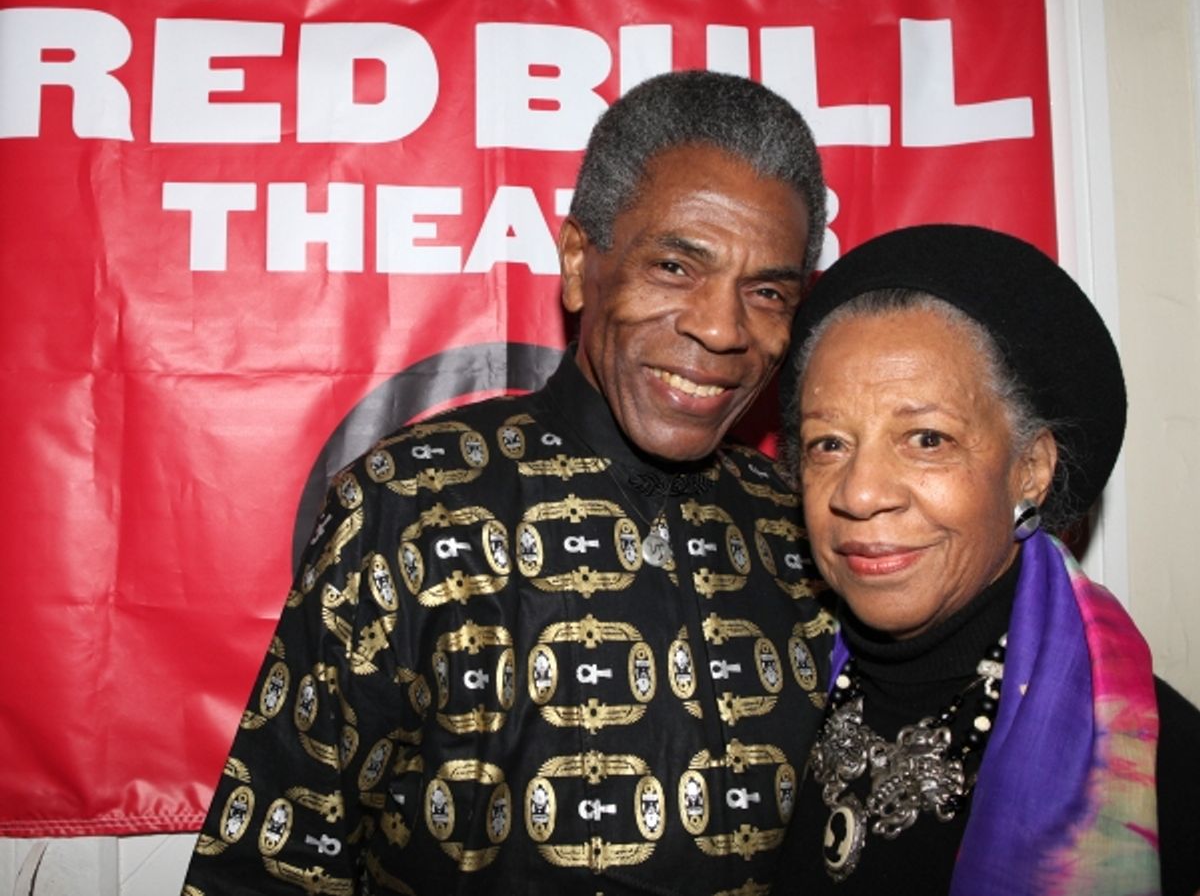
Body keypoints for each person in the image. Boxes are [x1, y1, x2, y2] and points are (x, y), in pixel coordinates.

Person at [181, 70, 834, 896]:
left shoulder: (802, 527)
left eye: (766, 291)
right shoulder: (410, 503)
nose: (720, 327)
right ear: (576, 264)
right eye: (674, 266)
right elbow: (273, 862)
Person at [773, 223, 1200, 895]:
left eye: (925, 438)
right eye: (828, 444)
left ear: (1029, 469)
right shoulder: (769, 689)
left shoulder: (1157, 767)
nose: (859, 493)